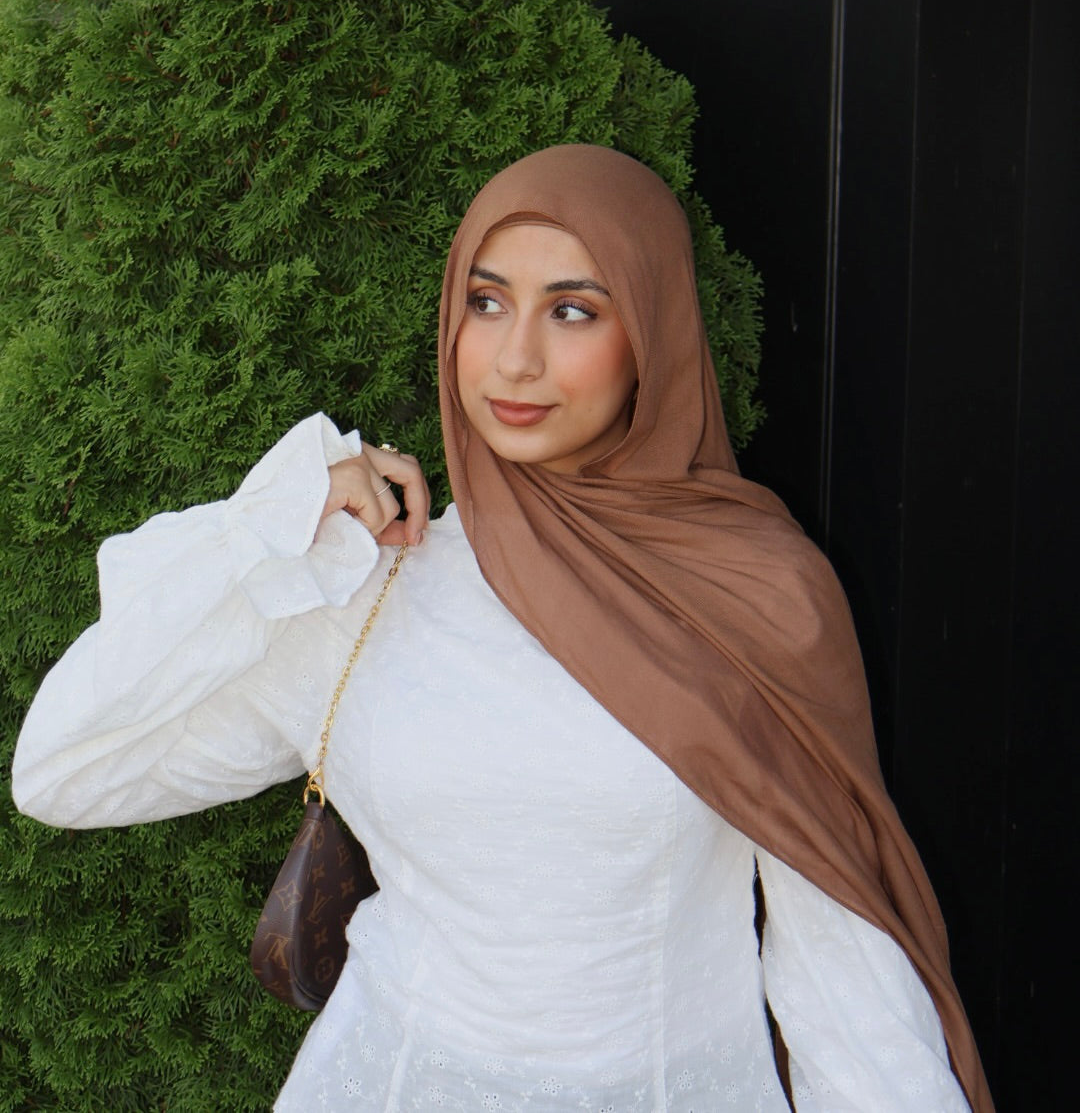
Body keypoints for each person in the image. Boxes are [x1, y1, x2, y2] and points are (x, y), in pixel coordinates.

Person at [12, 145, 993, 1113]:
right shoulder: (367, 586)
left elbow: (840, 968)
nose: (516, 358)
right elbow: (64, 771)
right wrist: (270, 526)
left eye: (573, 310)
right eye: (485, 303)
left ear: (653, 334)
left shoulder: (751, 596)